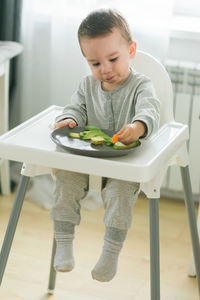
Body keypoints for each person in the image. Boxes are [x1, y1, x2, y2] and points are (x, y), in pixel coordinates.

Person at [51, 8, 160, 282]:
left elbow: (150, 112)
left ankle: (111, 252)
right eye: (95, 63)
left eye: (113, 59)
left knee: (121, 193)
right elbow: (74, 108)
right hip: (85, 159)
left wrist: (137, 128)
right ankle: (64, 242)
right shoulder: (87, 86)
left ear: (131, 50)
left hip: (124, 163)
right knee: (64, 178)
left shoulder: (142, 86)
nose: (106, 69)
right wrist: (67, 120)